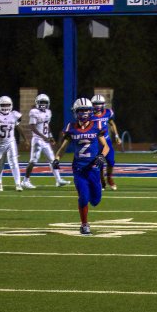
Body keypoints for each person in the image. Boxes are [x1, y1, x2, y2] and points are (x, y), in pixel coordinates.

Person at [53, 98, 111, 235]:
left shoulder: (97, 126)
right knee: (84, 197)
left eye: (86, 110)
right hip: (79, 169)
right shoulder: (71, 128)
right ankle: (84, 225)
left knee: (95, 200)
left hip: (93, 169)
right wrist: (56, 159)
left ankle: (90, 196)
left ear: (91, 111)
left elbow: (106, 146)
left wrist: (101, 156)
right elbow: (63, 148)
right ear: (75, 112)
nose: (84, 113)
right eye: (81, 110)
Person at [23, 93, 68, 188]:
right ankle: (25, 181)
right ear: (37, 102)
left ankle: (58, 180)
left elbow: (47, 125)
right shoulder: (34, 112)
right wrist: (43, 137)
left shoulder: (48, 112)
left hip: (45, 140)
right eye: (41, 102)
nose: (43, 104)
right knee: (33, 161)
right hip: (37, 140)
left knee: (52, 160)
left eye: (44, 102)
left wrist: (50, 136)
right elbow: (32, 127)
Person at [0, 95, 26, 192]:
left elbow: (19, 127)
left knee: (14, 163)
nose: (5, 107)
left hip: (10, 142)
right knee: (0, 164)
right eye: (3, 105)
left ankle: (18, 184)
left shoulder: (14, 115)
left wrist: (26, 139)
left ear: (11, 105)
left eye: (7, 105)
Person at [90, 94, 120, 190]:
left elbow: (112, 124)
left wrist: (116, 136)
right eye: (96, 103)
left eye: (100, 103)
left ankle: (109, 178)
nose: (98, 106)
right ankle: (102, 181)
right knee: (99, 163)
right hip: (95, 142)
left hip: (106, 141)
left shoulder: (107, 112)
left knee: (111, 161)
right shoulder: (89, 115)